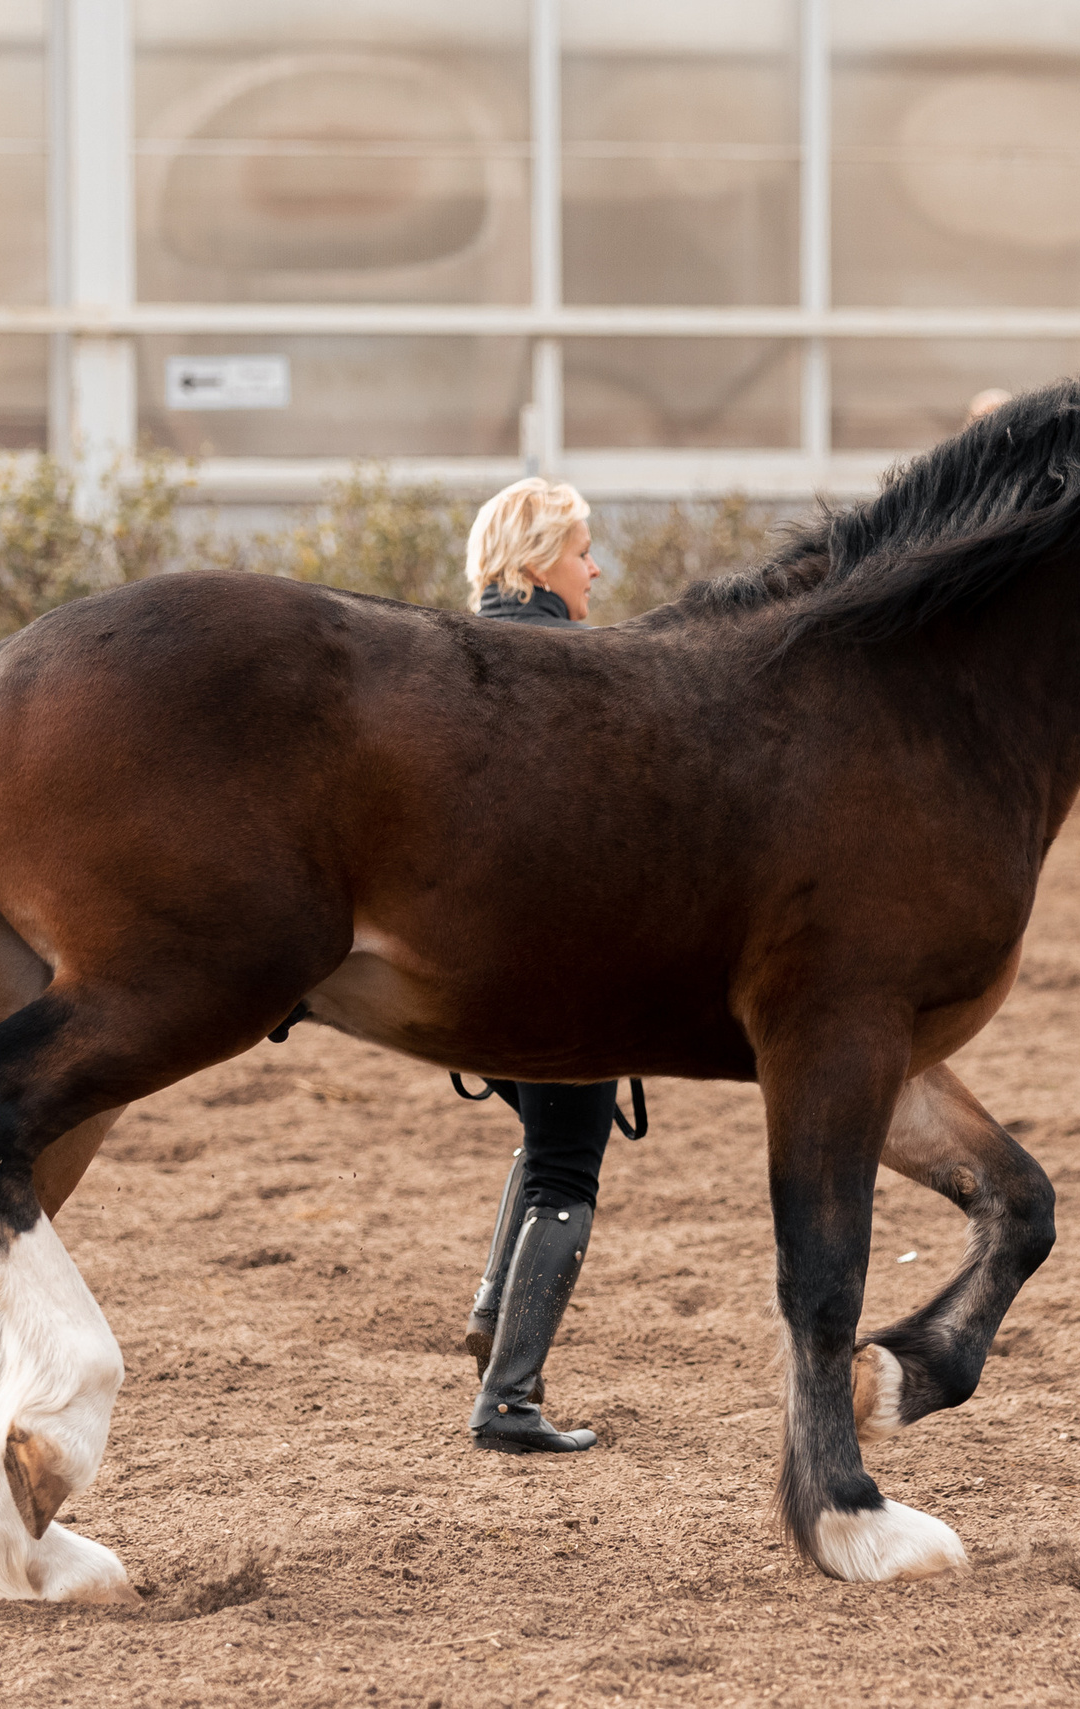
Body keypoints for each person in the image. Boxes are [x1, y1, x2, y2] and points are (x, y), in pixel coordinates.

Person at [458, 477, 625, 1455]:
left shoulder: (450, 659)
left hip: (468, 975)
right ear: (534, 564)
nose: (594, 567)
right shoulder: (583, 670)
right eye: (581, 550)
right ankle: (509, 1401)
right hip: (562, 962)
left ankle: (491, 1310)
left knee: (544, 1134)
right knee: (569, 1161)